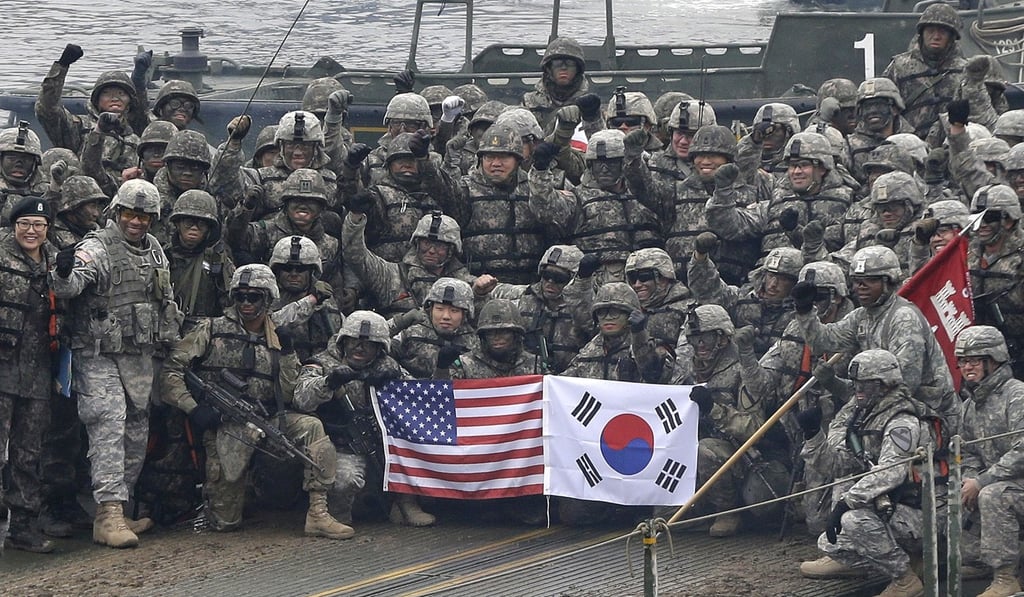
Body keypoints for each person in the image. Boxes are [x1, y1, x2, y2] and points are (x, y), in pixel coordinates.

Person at [160, 264, 350, 539]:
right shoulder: (211, 329)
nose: (246, 303)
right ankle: (242, 493)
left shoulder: (277, 336)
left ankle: (318, 513)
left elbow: (289, 394)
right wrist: (193, 408)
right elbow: (172, 371)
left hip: (269, 417)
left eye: (254, 297)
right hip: (227, 424)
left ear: (268, 299)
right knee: (225, 522)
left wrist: (286, 354)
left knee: (312, 427)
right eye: (241, 297)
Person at [51, 178, 183, 548]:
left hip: (139, 355)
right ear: (116, 213)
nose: (136, 222)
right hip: (98, 354)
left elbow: (164, 300)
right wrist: (63, 272)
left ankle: (118, 509)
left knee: (137, 433)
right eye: (129, 213)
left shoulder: (155, 250)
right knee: (109, 426)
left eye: (143, 216)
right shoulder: (97, 247)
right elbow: (70, 285)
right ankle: (108, 513)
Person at [798, 349, 937, 597]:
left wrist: (846, 503)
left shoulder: (901, 420)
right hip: (889, 507)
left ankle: (905, 579)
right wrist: (813, 435)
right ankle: (904, 560)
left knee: (852, 521)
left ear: (884, 385)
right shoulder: (861, 414)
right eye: (855, 384)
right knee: (829, 543)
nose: (857, 390)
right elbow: (838, 465)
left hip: (923, 511)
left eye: (865, 384)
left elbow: (890, 472)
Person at [789, 245, 962, 432]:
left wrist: (845, 394)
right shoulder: (862, 316)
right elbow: (822, 342)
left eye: (869, 280)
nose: (860, 287)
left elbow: (903, 385)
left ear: (888, 282)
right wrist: (805, 310)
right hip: (887, 406)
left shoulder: (903, 318)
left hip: (928, 415)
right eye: (857, 281)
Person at [294, 310, 434, 531]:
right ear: (344, 341)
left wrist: (393, 381)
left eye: (368, 344)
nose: (360, 348)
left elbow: (419, 397)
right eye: (354, 342)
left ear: (379, 348)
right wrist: (329, 382)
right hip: (339, 444)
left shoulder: (386, 365)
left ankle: (405, 503)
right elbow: (301, 398)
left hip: (380, 444)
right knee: (346, 480)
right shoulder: (321, 363)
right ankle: (339, 517)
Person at [0, 197, 61, 553]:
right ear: (14, 226)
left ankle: (22, 527)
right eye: (25, 224)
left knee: (28, 453)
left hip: (38, 371)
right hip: (2, 368)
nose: (32, 231)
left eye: (39, 225)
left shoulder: (58, 262)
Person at [530, 128, 661, 288]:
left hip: (646, 284)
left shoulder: (645, 195)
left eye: (611, 162)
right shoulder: (577, 198)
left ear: (622, 162)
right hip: (596, 288)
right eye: (599, 163)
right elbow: (545, 210)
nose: (604, 168)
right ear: (590, 165)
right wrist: (540, 170)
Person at [955, 326, 1024, 597]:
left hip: (1011, 486)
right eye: (963, 360)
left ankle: (1005, 577)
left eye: (975, 360)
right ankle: (979, 562)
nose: (967, 367)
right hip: (1000, 483)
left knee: (994, 494)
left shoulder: (1016, 394)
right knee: (958, 489)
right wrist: (970, 480)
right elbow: (967, 451)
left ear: (993, 360)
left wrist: (982, 481)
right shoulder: (970, 405)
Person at [446, 123, 554, 284]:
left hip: (532, 285)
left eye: (503, 157)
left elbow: (555, 219)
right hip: (479, 284)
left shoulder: (535, 187)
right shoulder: (464, 189)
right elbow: (439, 189)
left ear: (518, 160)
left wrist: (541, 173)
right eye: (489, 157)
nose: (496, 163)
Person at [342, 209, 483, 319]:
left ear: (451, 250)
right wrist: (355, 218)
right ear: (416, 243)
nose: (431, 251)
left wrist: (482, 291)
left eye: (439, 246)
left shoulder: (465, 283)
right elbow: (356, 256)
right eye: (426, 243)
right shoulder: (390, 275)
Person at [488, 244, 597, 374]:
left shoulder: (584, 307)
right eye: (546, 275)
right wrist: (480, 292)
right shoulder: (525, 296)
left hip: (571, 380)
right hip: (528, 377)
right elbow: (493, 292)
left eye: (559, 278)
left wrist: (582, 283)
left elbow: (591, 322)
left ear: (572, 279)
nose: (550, 282)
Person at [357, 131, 457, 262]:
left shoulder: (438, 192)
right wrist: (351, 170)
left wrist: (424, 160)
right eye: (400, 160)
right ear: (388, 165)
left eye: (412, 160)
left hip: (435, 271)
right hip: (390, 272)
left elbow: (453, 200)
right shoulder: (377, 195)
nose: (407, 165)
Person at [883, 3, 967, 140]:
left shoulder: (965, 71)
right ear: (922, 34)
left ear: (952, 37)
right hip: (909, 144)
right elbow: (884, 109)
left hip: (952, 143)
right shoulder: (899, 67)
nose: (936, 36)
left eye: (942, 32)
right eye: (931, 31)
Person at [967, 184, 1024, 380]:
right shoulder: (965, 252)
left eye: (988, 217)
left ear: (1008, 220)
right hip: (975, 355)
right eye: (976, 217)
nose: (981, 224)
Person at [164, 189, 234, 325]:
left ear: (209, 228)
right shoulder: (162, 256)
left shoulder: (217, 260)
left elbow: (230, 304)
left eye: (201, 224)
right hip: (167, 327)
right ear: (177, 224)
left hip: (203, 330)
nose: (194, 228)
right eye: (189, 222)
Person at [269, 235, 342, 363]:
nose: (294, 274)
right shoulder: (266, 299)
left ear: (311, 272)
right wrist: (312, 300)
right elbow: (270, 324)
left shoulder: (327, 301)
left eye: (301, 269)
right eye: (287, 268)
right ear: (277, 271)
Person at [392, 277, 480, 379]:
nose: (446, 316)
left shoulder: (474, 343)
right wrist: (399, 322)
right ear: (430, 309)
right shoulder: (411, 333)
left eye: (454, 310)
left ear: (464, 314)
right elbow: (379, 351)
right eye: (439, 309)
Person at [452, 299, 543, 378]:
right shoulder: (465, 365)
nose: (497, 337)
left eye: (504, 332)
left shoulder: (536, 365)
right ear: (483, 337)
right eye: (490, 333)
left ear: (516, 334)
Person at [521, 37, 591, 133]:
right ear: (549, 68)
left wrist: (594, 116)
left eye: (570, 63)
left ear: (578, 69)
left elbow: (599, 138)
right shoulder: (531, 102)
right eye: (557, 63)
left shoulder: (588, 104)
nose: (563, 68)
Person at [0, 123, 48, 224]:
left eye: (25, 159)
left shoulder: (45, 190)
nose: (19, 164)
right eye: (12, 158)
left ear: (35, 163)